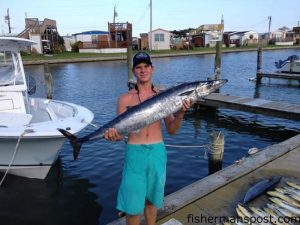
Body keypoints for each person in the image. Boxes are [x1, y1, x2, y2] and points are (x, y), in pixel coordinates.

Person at [104, 51, 191, 225]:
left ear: (152, 69)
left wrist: (181, 113)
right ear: (134, 71)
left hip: (157, 152)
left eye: (146, 66)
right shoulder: (124, 99)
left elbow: (172, 130)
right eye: (139, 67)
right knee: (133, 206)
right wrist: (113, 136)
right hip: (135, 154)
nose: (143, 70)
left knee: (152, 202)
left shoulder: (164, 97)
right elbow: (121, 132)